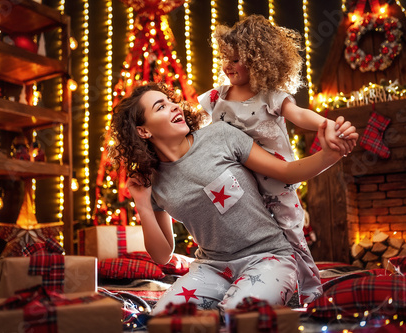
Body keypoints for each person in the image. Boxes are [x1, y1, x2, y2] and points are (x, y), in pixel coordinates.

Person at [110, 82, 354, 315]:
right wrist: (142, 204)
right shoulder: (153, 182)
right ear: (143, 131)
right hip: (212, 267)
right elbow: (163, 255)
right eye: (160, 107)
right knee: (164, 318)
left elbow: (286, 172)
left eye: (170, 101)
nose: (174, 106)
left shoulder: (221, 136)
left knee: (237, 315)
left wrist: (330, 155)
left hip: (269, 256)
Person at [198, 14, 358, 303]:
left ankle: (308, 295)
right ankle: (249, 284)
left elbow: (300, 115)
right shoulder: (215, 98)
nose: (228, 66)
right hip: (239, 185)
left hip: (276, 183)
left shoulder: (269, 97)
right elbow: (192, 123)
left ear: (259, 60)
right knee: (250, 237)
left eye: (236, 60)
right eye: (226, 58)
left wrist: (327, 124)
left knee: (290, 235)